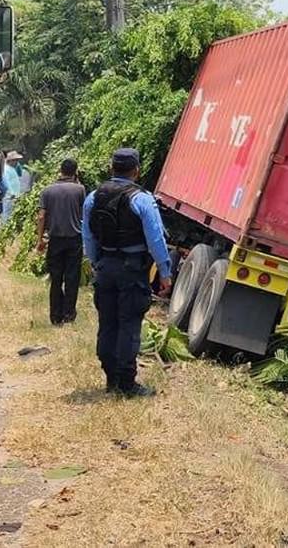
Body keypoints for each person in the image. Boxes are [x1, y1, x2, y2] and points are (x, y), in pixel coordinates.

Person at [82, 148, 173, 398]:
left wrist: (96, 262)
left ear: (111, 168)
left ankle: (111, 378)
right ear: (136, 170)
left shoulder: (93, 197)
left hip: (106, 266)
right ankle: (126, 383)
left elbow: (88, 236)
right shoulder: (142, 199)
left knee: (108, 323)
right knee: (129, 325)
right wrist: (164, 271)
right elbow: (156, 240)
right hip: (132, 270)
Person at [36, 158, 86, 326]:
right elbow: (83, 214)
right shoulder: (80, 189)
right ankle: (68, 314)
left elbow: (41, 216)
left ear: (60, 170)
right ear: (75, 172)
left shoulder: (47, 191)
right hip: (74, 240)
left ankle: (55, 315)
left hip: (55, 239)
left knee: (56, 278)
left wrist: (40, 240)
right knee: (72, 278)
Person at [1, 151, 23, 225]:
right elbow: (6, 182)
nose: (17, 162)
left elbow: (20, 173)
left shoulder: (12, 168)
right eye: (15, 160)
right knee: (8, 215)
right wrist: (11, 193)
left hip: (14, 196)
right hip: (9, 197)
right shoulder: (6, 169)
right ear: (10, 161)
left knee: (12, 215)